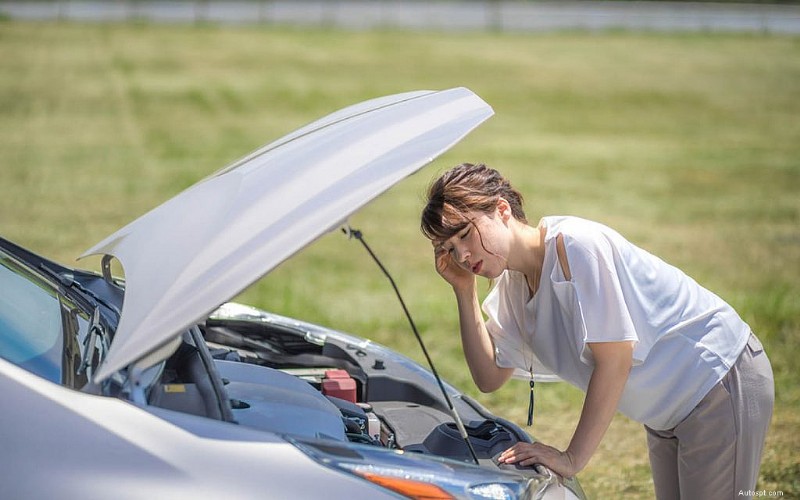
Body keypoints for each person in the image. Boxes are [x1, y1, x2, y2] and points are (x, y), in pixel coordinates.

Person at [420, 163, 774, 498]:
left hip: (716, 382)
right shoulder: (513, 285)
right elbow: (489, 376)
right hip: (666, 413)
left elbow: (616, 360)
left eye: (465, 234)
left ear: (502, 210)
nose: (462, 255)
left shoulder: (575, 245)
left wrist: (571, 458)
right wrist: (464, 290)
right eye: (449, 248)